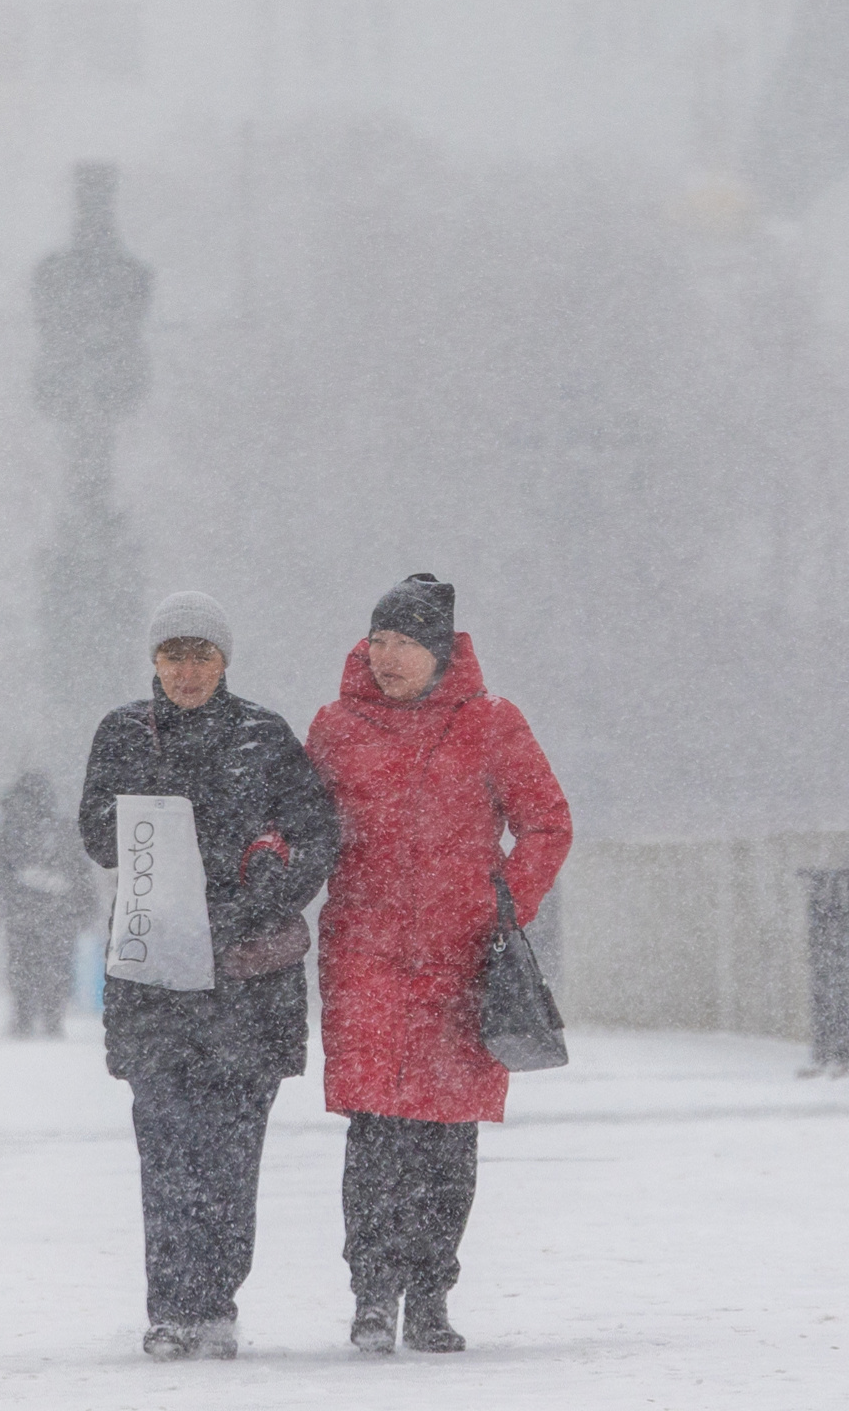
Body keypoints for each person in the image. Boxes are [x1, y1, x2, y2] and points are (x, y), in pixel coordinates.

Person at [306, 574, 572, 1357]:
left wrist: (502, 910)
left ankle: (429, 1295)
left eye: (407, 643)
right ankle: (370, 1295)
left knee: (447, 1140)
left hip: (462, 965)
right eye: (379, 639)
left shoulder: (491, 725)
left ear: (442, 652)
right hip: (365, 959)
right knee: (377, 1132)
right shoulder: (333, 727)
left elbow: (547, 825)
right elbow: (301, 826)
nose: (388, 657)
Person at [78, 591, 341, 1363]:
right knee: (165, 1148)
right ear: (152, 661)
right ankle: (170, 1308)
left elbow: (316, 833)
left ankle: (216, 1300)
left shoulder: (265, 736)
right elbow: (96, 833)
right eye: (172, 655)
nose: (186, 671)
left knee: (232, 1153)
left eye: (201, 655)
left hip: (247, 983)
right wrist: (151, 823)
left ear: (225, 662)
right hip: (157, 977)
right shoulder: (125, 733)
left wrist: (265, 886)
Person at [0, 772, 93, 1038]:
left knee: (25, 967)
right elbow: (81, 875)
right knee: (52, 968)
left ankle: (26, 1018)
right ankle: (47, 1018)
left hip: (25, 915)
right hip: (54, 916)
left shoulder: (12, 833)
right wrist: (84, 906)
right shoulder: (63, 830)